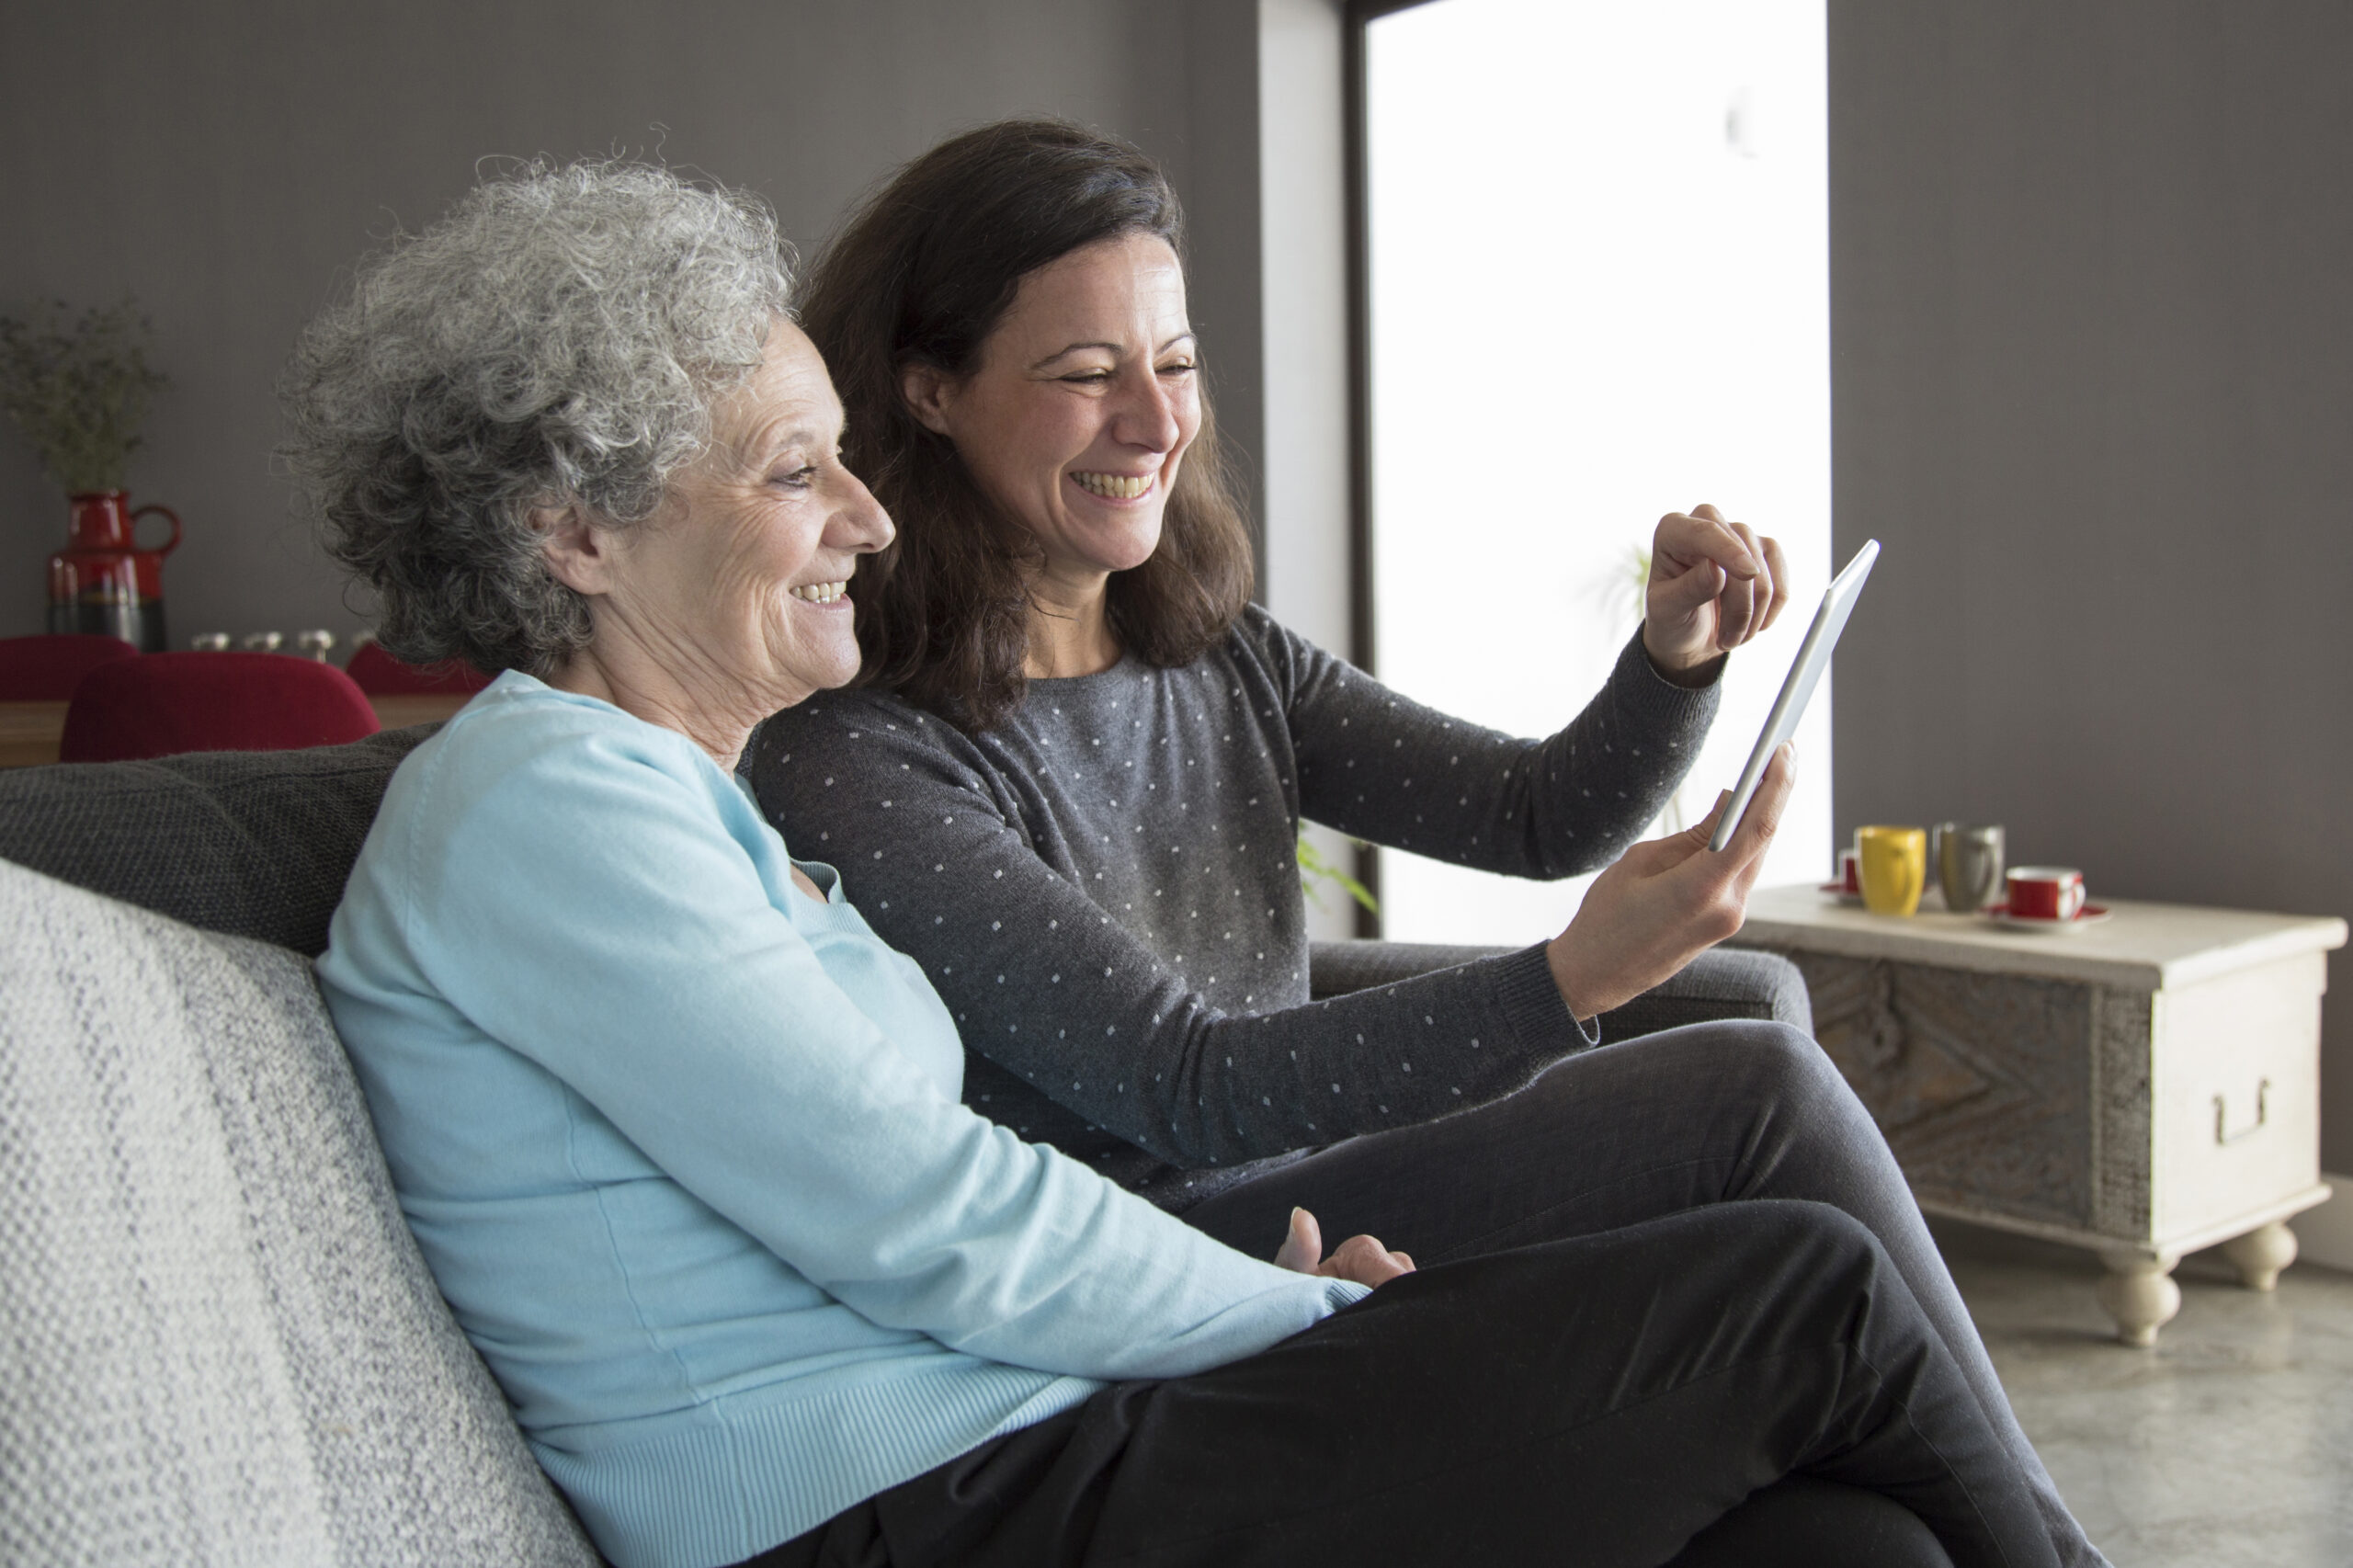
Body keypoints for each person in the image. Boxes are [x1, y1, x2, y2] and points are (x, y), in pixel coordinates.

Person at [292, 159, 2091, 1568]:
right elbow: (937, 1217)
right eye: (795, 473)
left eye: (845, 462)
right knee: (1805, 1291)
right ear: (575, 532)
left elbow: (1531, 813)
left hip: (1019, 1422)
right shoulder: (548, 814)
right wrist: (1288, 1307)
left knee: (1845, 1546)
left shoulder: (672, 795)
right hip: (916, 1510)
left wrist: (1673, 663)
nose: (861, 515)